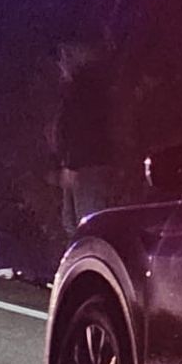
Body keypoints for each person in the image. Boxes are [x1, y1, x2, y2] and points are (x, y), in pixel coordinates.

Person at [53, 39, 114, 234]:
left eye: (64, 58)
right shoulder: (74, 89)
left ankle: (92, 261)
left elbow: (83, 129)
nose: (60, 65)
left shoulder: (85, 88)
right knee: (72, 224)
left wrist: (72, 165)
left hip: (87, 167)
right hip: (78, 166)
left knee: (88, 225)